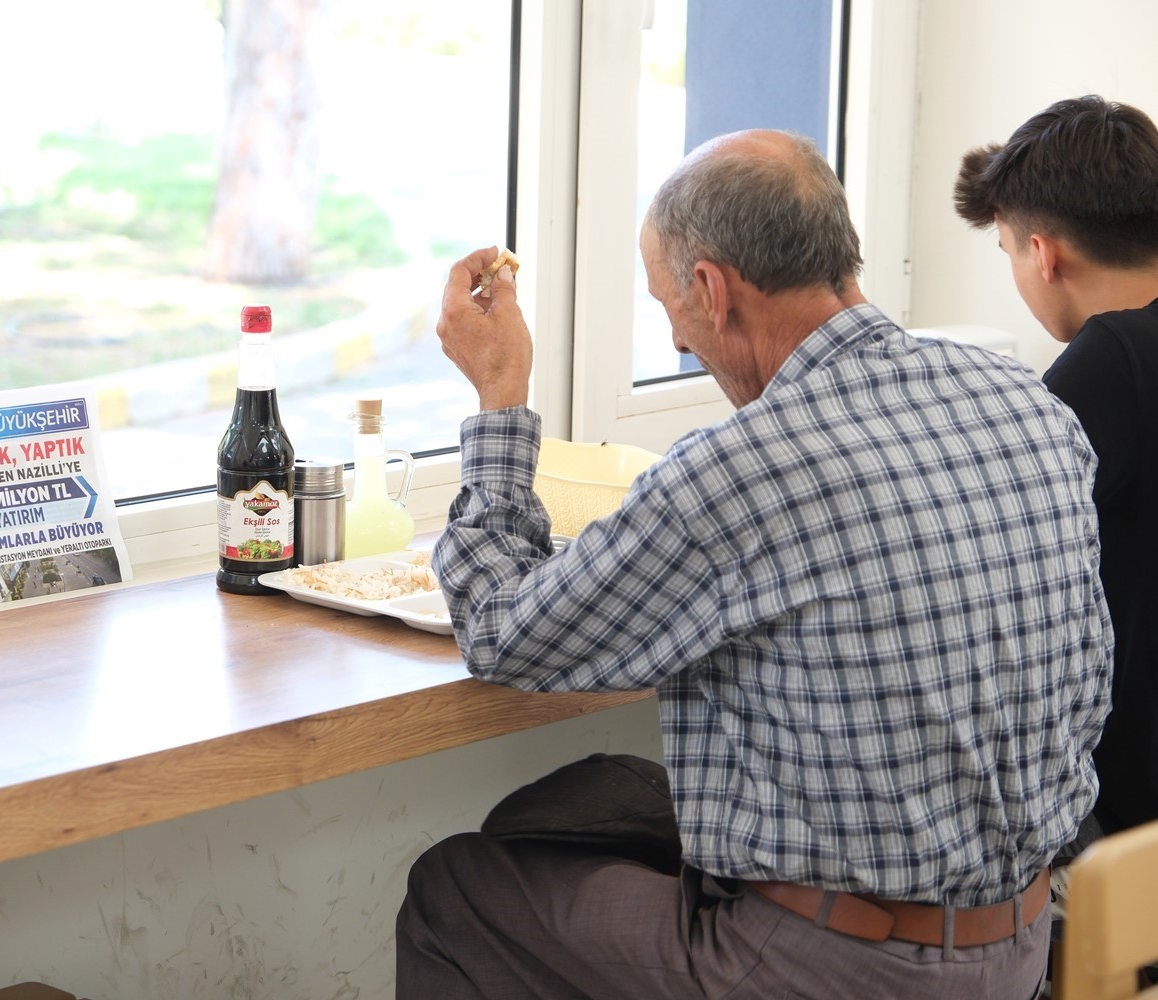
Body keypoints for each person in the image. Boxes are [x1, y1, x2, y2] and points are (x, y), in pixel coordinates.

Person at [396, 130, 1113, 999]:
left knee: (456, 890)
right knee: (585, 802)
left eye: (671, 310)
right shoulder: (1026, 404)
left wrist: (501, 393)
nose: (679, 347)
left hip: (848, 970)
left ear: (712, 288)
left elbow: (502, 629)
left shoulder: (748, 466)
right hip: (1024, 938)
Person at [954, 95, 1158, 843]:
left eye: (1007, 253)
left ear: (1044, 253)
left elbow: (975, 536)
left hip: (1154, 829)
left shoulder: (1118, 358)